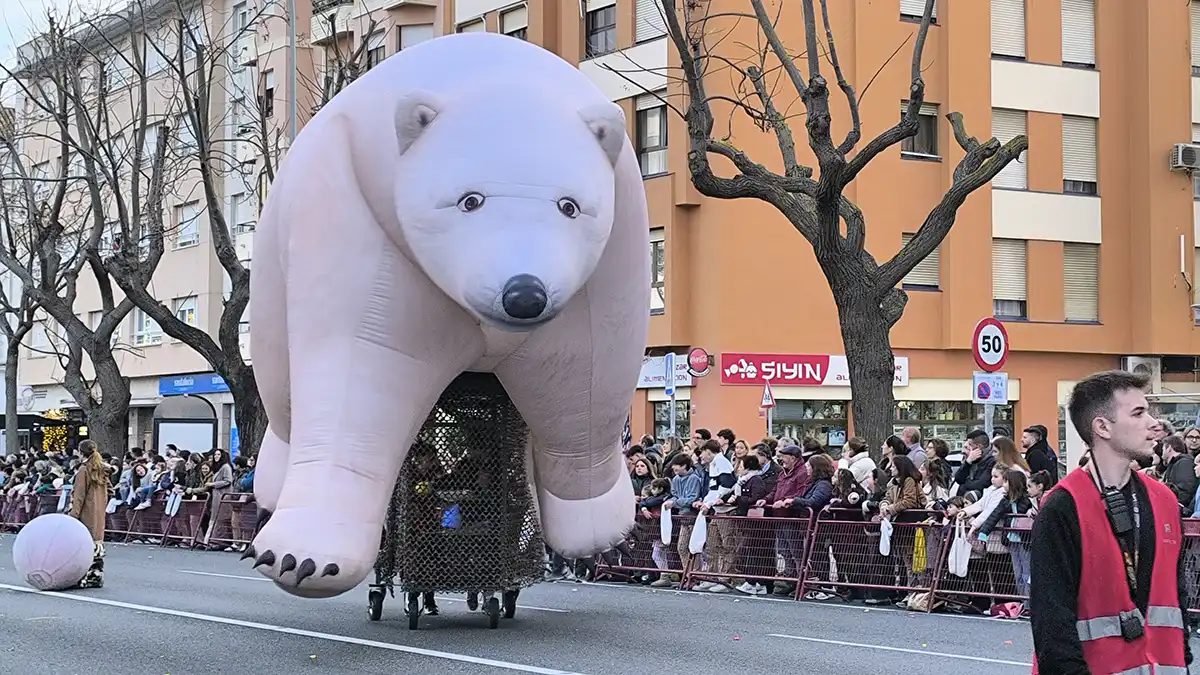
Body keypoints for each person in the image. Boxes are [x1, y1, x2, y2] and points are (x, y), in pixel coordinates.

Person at [1030, 370, 1192, 674]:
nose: (1153, 423)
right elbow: (1051, 620)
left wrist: (1184, 655)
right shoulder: (1062, 506)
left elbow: (1175, 591)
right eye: (1139, 413)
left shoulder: (1165, 501)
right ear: (1102, 427)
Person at [69, 440, 110, 589]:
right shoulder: (102, 470)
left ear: (80, 452)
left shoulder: (83, 470)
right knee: (97, 543)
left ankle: (83, 576)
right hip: (99, 512)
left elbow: (79, 496)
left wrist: (73, 516)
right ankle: (96, 575)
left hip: (86, 512)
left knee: (83, 544)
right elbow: (110, 489)